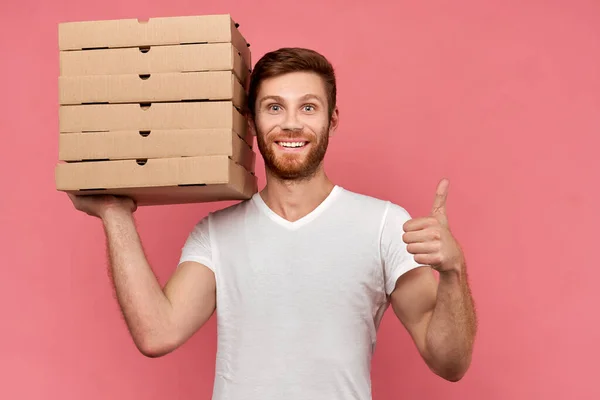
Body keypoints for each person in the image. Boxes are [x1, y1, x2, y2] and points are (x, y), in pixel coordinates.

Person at [68, 47, 477, 399]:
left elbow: (449, 362)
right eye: (274, 107)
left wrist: (454, 272)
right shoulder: (216, 233)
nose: (292, 123)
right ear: (252, 121)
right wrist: (115, 214)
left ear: (332, 120)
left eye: (308, 107)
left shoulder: (385, 225)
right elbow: (157, 334)